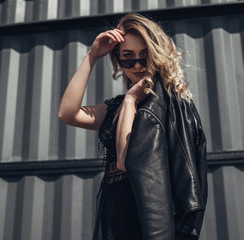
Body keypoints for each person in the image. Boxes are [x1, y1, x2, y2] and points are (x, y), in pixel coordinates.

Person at [58, 13, 207, 240]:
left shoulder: (162, 105)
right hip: (114, 208)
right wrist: (92, 55)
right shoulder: (119, 105)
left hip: (144, 213)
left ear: (157, 56)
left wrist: (129, 101)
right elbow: (68, 113)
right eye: (128, 57)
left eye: (144, 57)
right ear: (118, 60)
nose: (137, 65)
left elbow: (126, 161)